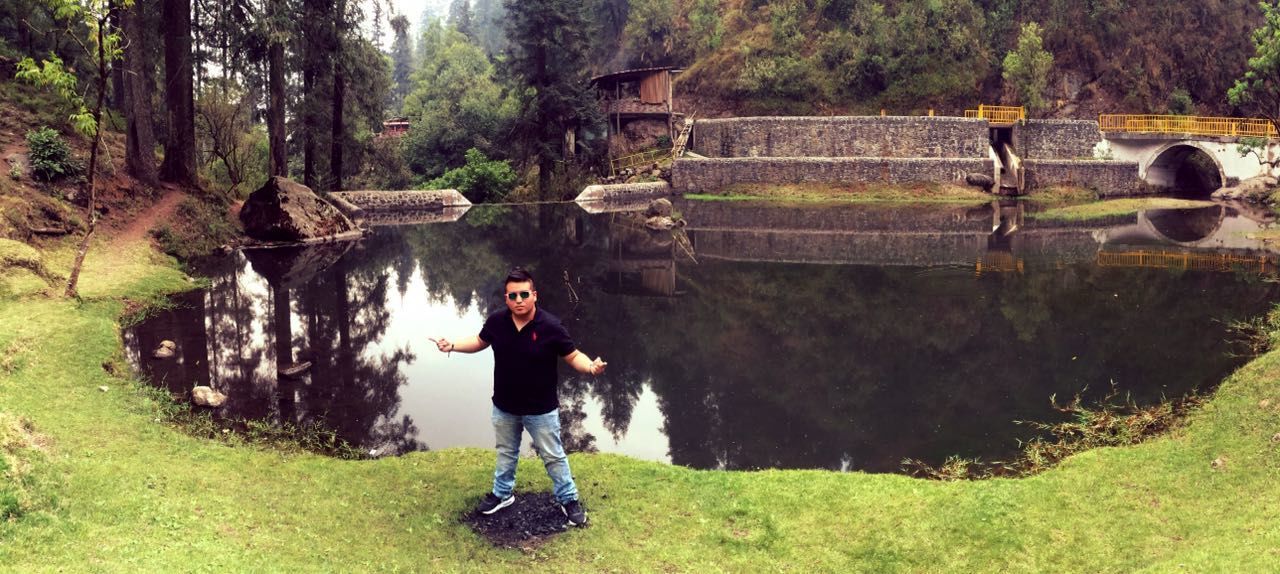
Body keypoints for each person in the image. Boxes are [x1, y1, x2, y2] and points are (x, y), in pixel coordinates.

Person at [432, 267, 606, 527]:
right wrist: (453, 345)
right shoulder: (497, 322)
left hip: (541, 409)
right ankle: (502, 494)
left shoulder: (551, 326)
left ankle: (568, 499)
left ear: (535, 295)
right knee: (505, 453)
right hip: (504, 406)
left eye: (524, 294)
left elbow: (572, 356)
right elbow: (479, 341)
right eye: (512, 296)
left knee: (553, 456)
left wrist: (590, 367)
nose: (519, 300)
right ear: (506, 298)